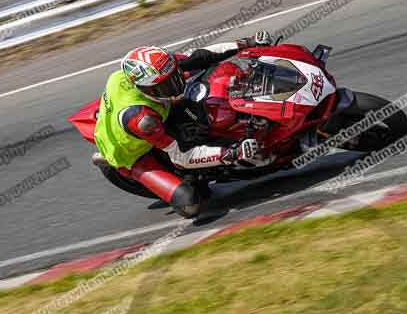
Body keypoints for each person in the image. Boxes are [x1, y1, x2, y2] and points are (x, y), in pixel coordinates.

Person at [92, 31, 274, 218]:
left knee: (198, 75)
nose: (176, 85)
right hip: (132, 154)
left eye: (175, 76)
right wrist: (231, 153)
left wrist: (246, 43)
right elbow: (182, 157)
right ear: (145, 89)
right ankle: (147, 174)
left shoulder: (148, 73)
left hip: (143, 114)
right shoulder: (144, 120)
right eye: (166, 86)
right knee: (190, 204)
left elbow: (198, 56)